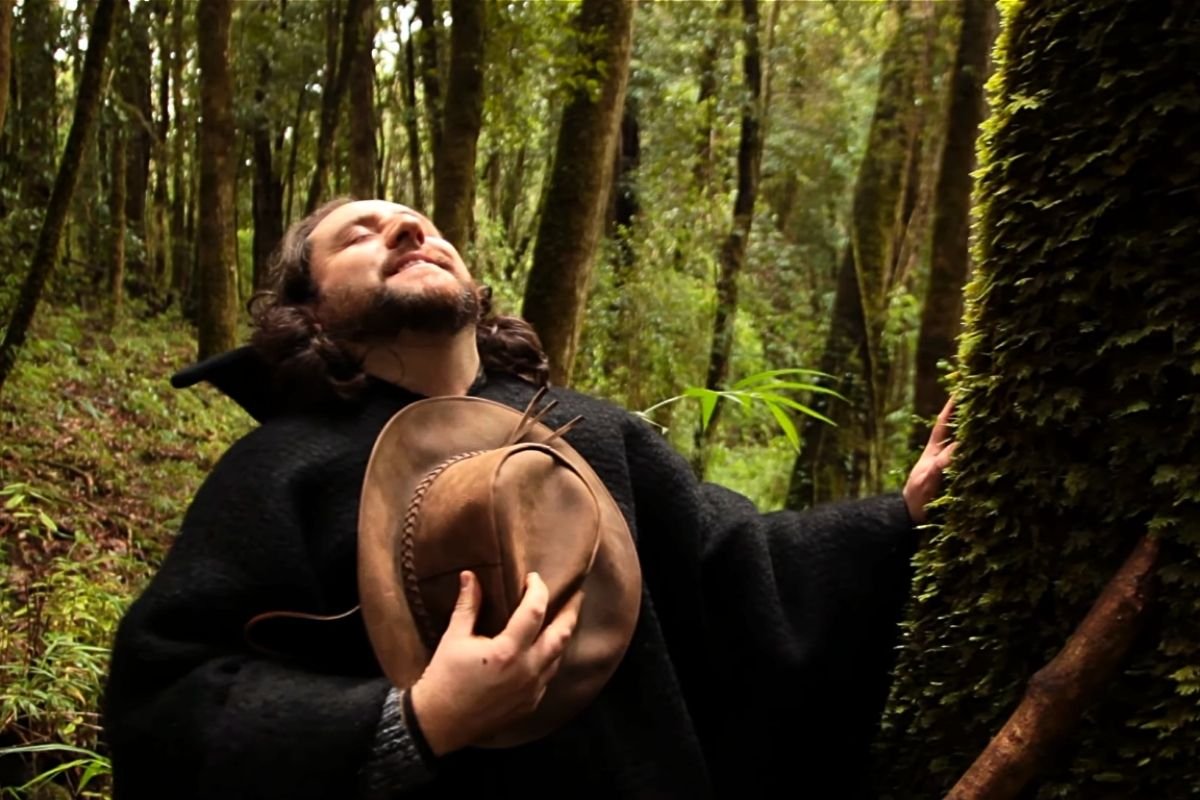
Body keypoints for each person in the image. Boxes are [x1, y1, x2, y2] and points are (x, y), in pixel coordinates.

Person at [101, 199, 956, 799]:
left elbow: (738, 576)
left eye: (425, 226)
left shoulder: (597, 432)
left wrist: (900, 520)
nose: (409, 229)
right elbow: (168, 702)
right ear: (312, 312)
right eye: (360, 234)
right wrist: (417, 721)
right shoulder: (276, 468)